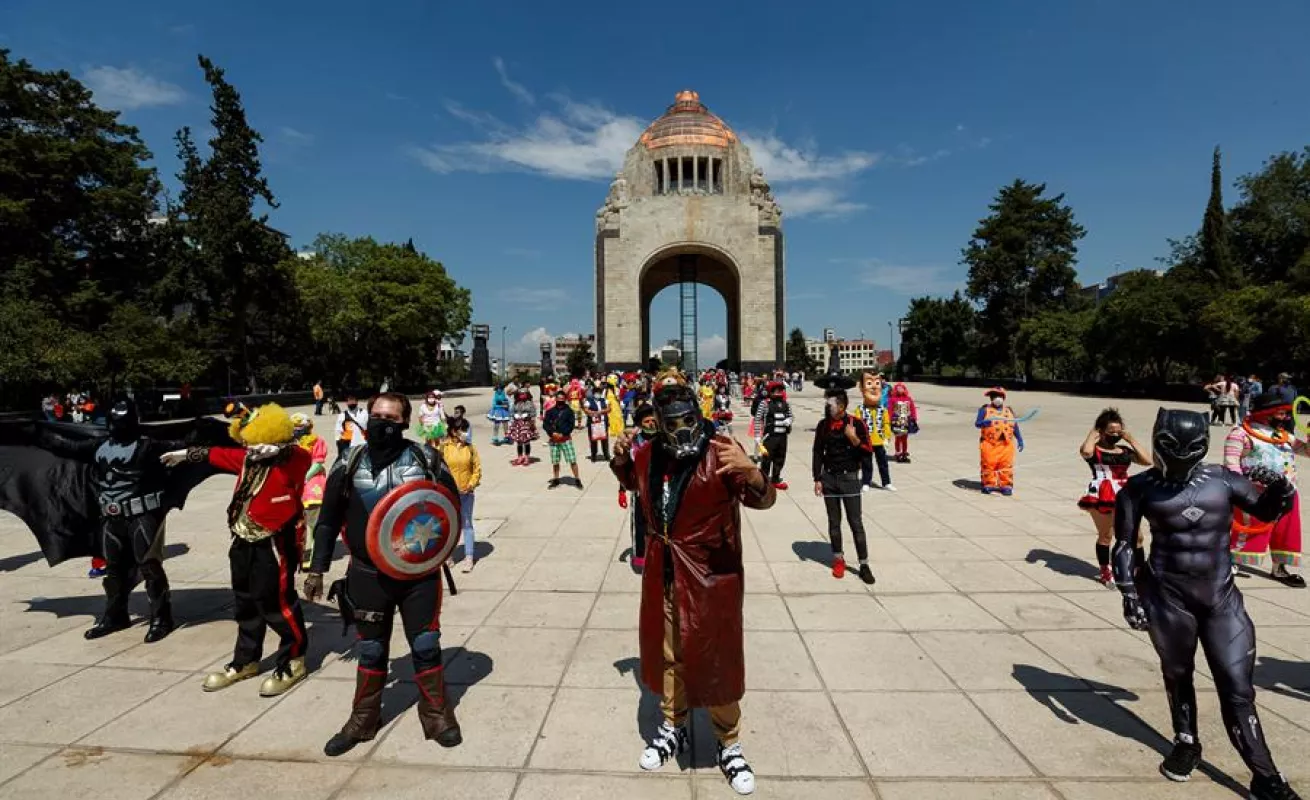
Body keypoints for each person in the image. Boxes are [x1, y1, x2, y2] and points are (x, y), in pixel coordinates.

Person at [1114, 409, 1302, 799]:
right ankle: (1186, 742)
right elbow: (1125, 545)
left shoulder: (1223, 479)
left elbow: (1266, 511)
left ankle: (1265, 776)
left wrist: (1281, 489)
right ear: (1158, 440)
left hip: (1221, 598)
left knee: (1237, 687)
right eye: (1171, 447)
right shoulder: (1138, 489)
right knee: (1178, 673)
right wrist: (1129, 593)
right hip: (1168, 597)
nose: (1180, 455)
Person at [610, 370, 775, 796]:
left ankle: (729, 742)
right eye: (671, 420)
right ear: (658, 421)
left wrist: (754, 472)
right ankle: (674, 725)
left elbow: (762, 499)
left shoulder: (721, 450)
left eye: (686, 417)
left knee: (716, 659)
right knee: (670, 657)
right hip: (665, 573)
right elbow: (632, 481)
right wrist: (622, 457)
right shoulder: (650, 455)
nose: (680, 428)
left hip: (710, 577)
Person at [302, 392, 463, 756]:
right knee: (372, 648)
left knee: (425, 643)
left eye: (391, 418)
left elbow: (450, 509)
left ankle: (436, 714)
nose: (382, 423)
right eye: (376, 416)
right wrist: (317, 568)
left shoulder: (427, 458)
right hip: (367, 574)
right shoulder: (349, 460)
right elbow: (326, 521)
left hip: (417, 576)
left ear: (405, 422)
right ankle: (363, 718)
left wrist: (442, 549)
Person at [163, 404, 311, 695]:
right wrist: (185, 455)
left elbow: (301, 457)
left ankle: (294, 659)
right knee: (244, 603)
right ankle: (246, 660)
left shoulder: (290, 459)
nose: (250, 446)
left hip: (273, 543)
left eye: (255, 439)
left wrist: (277, 451)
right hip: (241, 539)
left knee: (276, 604)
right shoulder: (247, 458)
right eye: (247, 440)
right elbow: (217, 455)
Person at [35, 399, 188, 642]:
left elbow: (185, 448)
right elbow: (67, 447)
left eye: (123, 424)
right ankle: (116, 614)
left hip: (142, 515)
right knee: (114, 570)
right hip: (111, 516)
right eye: (116, 423)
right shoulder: (99, 445)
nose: (119, 428)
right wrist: (33, 433)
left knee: (149, 565)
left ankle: (161, 617)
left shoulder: (149, 447)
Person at [1225, 392, 1307, 587]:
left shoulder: (1283, 435)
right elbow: (1231, 462)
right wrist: (1239, 489)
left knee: (1286, 531)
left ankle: (1279, 567)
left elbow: (1306, 450)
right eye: (1280, 413)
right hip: (1256, 492)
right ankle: (1233, 563)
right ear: (1266, 413)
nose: (1285, 418)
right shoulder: (1241, 433)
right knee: (1250, 530)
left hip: (1287, 491)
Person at [1077, 409, 1151, 587]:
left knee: (1137, 537)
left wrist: (1130, 439)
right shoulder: (1095, 450)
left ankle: (1138, 570)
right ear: (1102, 431)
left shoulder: (1124, 451)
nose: (1115, 435)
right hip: (1102, 492)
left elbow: (1147, 461)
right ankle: (1105, 571)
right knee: (1106, 535)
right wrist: (1093, 433)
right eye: (1111, 432)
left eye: (1118, 431)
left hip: (1125, 492)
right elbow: (1086, 452)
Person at [813, 387, 876, 584]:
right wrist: (817, 478)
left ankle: (864, 564)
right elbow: (817, 452)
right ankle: (838, 559)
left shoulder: (855, 423)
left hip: (849, 479)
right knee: (834, 523)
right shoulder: (823, 425)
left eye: (830, 404)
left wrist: (853, 438)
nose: (827, 407)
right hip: (829, 479)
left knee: (855, 523)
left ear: (841, 406)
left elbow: (868, 451)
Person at [439, 417, 482, 574]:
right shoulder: (443, 448)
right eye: (461, 429)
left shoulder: (470, 448)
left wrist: (471, 484)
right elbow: (439, 469)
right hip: (448, 493)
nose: (465, 433)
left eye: (466, 429)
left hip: (466, 493)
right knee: (449, 525)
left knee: (467, 524)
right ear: (453, 431)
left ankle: (469, 557)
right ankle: (448, 556)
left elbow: (477, 468)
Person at [619, 404, 658, 571]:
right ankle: (640, 557)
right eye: (646, 421)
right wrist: (621, 490)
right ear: (640, 424)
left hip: (661, 489)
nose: (650, 423)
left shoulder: (664, 439)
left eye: (653, 420)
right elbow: (625, 467)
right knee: (640, 524)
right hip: (640, 491)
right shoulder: (634, 441)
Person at [292, 413, 329, 570]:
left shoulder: (317, 441)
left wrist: (304, 476)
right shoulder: (291, 443)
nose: (296, 430)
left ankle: (312, 557)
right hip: (295, 489)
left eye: (299, 427)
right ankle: (298, 555)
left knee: (314, 525)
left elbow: (318, 463)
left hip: (313, 488)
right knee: (297, 526)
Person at [976, 387, 1023, 495]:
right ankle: (988, 484)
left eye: (999, 396)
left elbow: (1014, 425)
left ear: (1003, 397)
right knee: (988, 464)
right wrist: (984, 423)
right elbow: (977, 423)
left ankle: (1006, 485)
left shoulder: (1009, 411)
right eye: (994, 396)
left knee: (1006, 465)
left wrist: (1020, 439)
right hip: (989, 443)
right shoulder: (984, 409)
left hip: (1006, 444)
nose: (997, 398)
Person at [853, 371, 895, 492]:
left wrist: (887, 437)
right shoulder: (859, 409)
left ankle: (886, 482)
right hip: (866, 442)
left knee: (883, 463)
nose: (874, 387)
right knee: (866, 463)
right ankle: (866, 481)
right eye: (869, 383)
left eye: (877, 383)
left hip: (880, 441)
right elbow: (857, 425)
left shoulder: (883, 410)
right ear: (861, 387)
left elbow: (886, 424)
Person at [754, 381, 793, 490]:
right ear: (771, 391)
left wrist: (789, 420)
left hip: (782, 437)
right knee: (766, 459)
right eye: (776, 390)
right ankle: (764, 480)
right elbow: (757, 419)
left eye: (780, 390)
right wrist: (757, 435)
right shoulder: (765, 403)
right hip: (769, 436)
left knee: (780, 458)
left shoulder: (786, 404)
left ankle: (776, 478)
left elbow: (791, 415)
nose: (778, 392)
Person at [543, 389, 582, 489]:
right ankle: (556, 479)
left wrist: (563, 434)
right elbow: (546, 424)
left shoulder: (569, 411)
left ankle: (577, 479)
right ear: (555, 399)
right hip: (554, 440)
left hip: (565, 439)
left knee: (572, 460)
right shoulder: (550, 411)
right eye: (559, 399)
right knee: (555, 461)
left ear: (565, 399)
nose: (560, 400)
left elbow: (571, 425)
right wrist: (552, 433)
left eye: (562, 399)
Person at [888, 382, 919, 463]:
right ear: (895, 390)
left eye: (901, 388)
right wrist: (889, 420)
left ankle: (904, 453)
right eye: (898, 388)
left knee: (904, 439)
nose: (900, 390)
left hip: (906, 420)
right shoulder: (892, 399)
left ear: (904, 389)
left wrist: (914, 418)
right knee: (898, 438)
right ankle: (898, 453)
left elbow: (912, 409)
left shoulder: (908, 399)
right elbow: (890, 410)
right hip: (897, 420)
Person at [509, 388, 538, 466]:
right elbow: (512, 412)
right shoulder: (516, 403)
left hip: (527, 424)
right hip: (517, 424)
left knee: (526, 441)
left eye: (524, 393)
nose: (522, 395)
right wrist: (513, 416)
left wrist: (529, 417)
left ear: (527, 394)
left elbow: (533, 413)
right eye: (521, 394)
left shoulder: (530, 403)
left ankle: (527, 457)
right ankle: (520, 457)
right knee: (519, 442)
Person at [334, 395, 368, 462]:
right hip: (347, 442)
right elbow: (338, 430)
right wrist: (338, 442)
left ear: (357, 402)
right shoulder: (342, 415)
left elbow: (366, 426)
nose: (351, 403)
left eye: (353, 401)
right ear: (346, 403)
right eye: (349, 401)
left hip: (362, 442)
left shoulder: (364, 413)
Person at [584, 383, 612, 462]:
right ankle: (593, 456)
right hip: (593, 423)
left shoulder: (605, 400)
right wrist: (592, 412)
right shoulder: (589, 401)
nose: (598, 394)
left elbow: (609, 409)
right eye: (596, 393)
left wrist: (602, 411)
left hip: (603, 423)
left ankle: (606, 455)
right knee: (593, 440)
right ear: (593, 394)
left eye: (599, 393)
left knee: (605, 440)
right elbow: (586, 410)